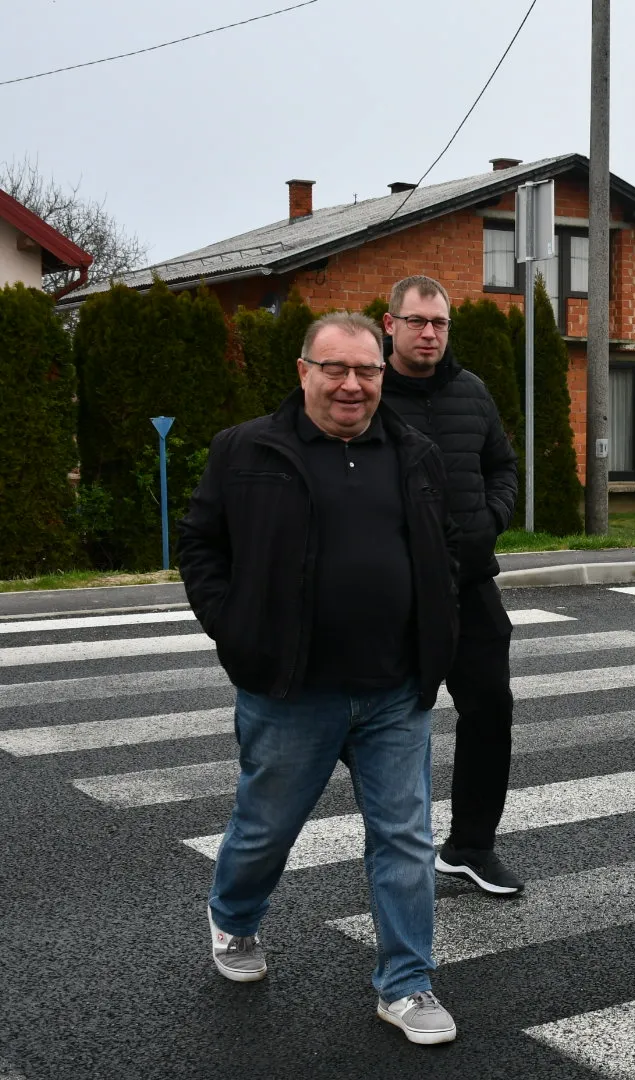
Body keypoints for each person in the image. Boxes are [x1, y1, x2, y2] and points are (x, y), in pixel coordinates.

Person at [178, 312, 461, 1045]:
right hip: (290, 691)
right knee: (266, 827)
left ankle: (406, 983)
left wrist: (440, 630)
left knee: (404, 836)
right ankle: (234, 918)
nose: (351, 385)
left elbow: (442, 551)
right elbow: (201, 545)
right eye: (334, 369)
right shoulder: (246, 451)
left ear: (381, 375)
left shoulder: (414, 452)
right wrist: (234, 627)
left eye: (366, 371)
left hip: (394, 689)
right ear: (304, 371)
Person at [380, 275, 523, 897]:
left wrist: (489, 520)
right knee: (385, 724)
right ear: (391, 324)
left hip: (470, 585)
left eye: (439, 323)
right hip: (392, 594)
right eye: (417, 321)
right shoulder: (367, 392)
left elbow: (503, 467)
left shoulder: (473, 393)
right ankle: (393, 852)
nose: (429, 333)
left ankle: (470, 845)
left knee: (490, 708)